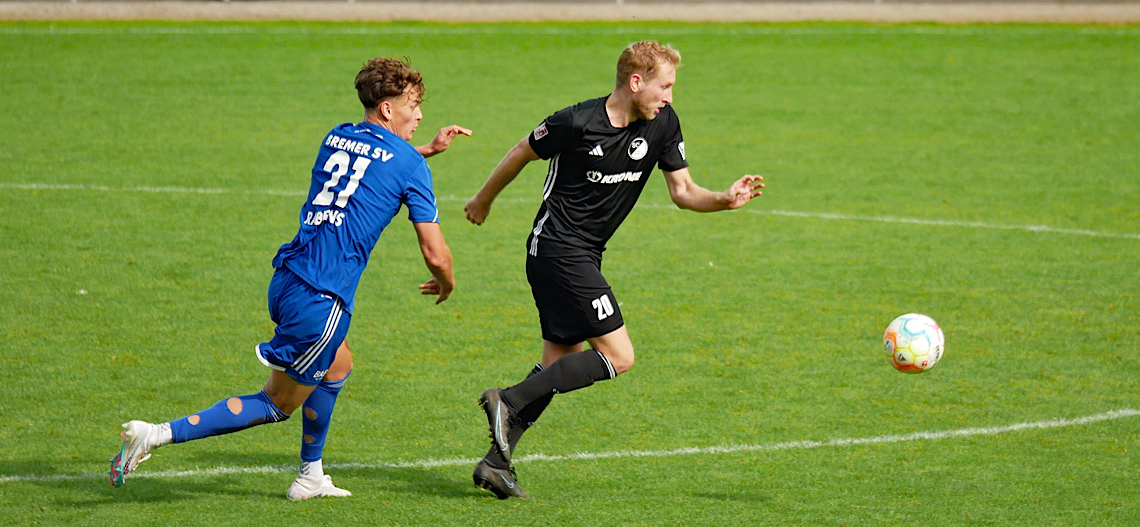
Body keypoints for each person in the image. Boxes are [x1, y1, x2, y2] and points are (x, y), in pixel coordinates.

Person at [108, 58, 471, 500]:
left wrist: (426, 151)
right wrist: (447, 282)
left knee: (339, 363)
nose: (419, 115)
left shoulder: (338, 135)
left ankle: (311, 476)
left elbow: (372, 167)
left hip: (287, 280)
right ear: (387, 110)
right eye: (412, 106)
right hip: (323, 300)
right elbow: (435, 253)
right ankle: (157, 434)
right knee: (277, 403)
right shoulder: (410, 168)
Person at [464, 41, 765, 499]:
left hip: (585, 253)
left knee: (559, 361)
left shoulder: (663, 123)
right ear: (636, 81)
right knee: (620, 356)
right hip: (557, 250)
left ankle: (496, 463)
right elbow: (522, 151)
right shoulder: (575, 122)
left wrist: (724, 200)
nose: (670, 96)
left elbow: (683, 191)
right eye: (665, 86)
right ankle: (507, 399)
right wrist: (483, 200)